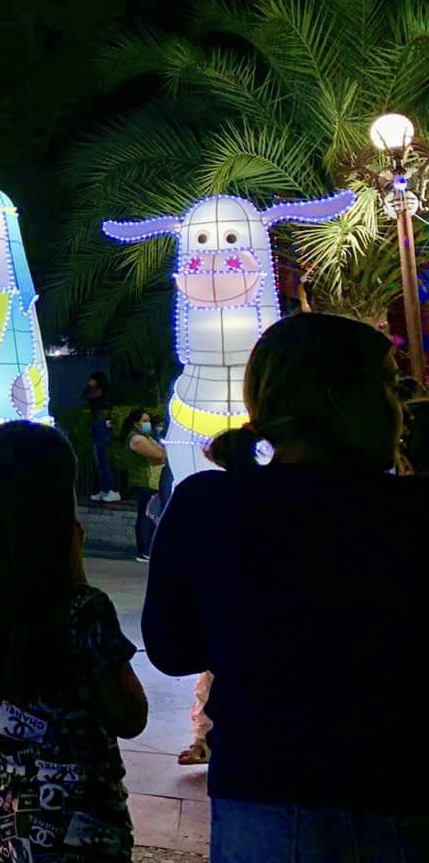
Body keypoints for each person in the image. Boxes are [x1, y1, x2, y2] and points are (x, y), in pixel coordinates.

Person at [143, 313, 429, 862]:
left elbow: (173, 649)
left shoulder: (209, 504)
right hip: (402, 789)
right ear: (338, 399)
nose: (400, 409)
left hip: (262, 789)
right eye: (390, 386)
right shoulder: (410, 515)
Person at [0, 421, 147, 861]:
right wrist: (76, 573)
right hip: (79, 828)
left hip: (1, 816)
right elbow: (130, 716)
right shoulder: (82, 608)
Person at [174, 426, 259, 767]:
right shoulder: (279, 500)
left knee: (209, 686)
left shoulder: (206, 498)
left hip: (223, 615)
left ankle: (205, 741)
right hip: (249, 613)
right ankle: (206, 742)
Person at [120, 409, 166, 561]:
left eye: (149, 420)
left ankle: (148, 548)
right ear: (136, 423)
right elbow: (159, 455)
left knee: (151, 515)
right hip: (145, 481)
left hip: (152, 481)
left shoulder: (146, 437)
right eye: (144, 421)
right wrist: (163, 452)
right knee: (146, 515)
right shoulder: (136, 439)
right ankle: (145, 550)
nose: (148, 424)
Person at [83, 372, 121, 502]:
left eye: (93, 380)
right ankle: (105, 489)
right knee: (99, 458)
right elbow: (85, 396)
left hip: (102, 424)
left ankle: (112, 489)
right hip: (97, 424)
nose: (90, 382)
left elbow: (93, 397)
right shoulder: (95, 392)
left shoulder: (105, 393)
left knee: (103, 457)